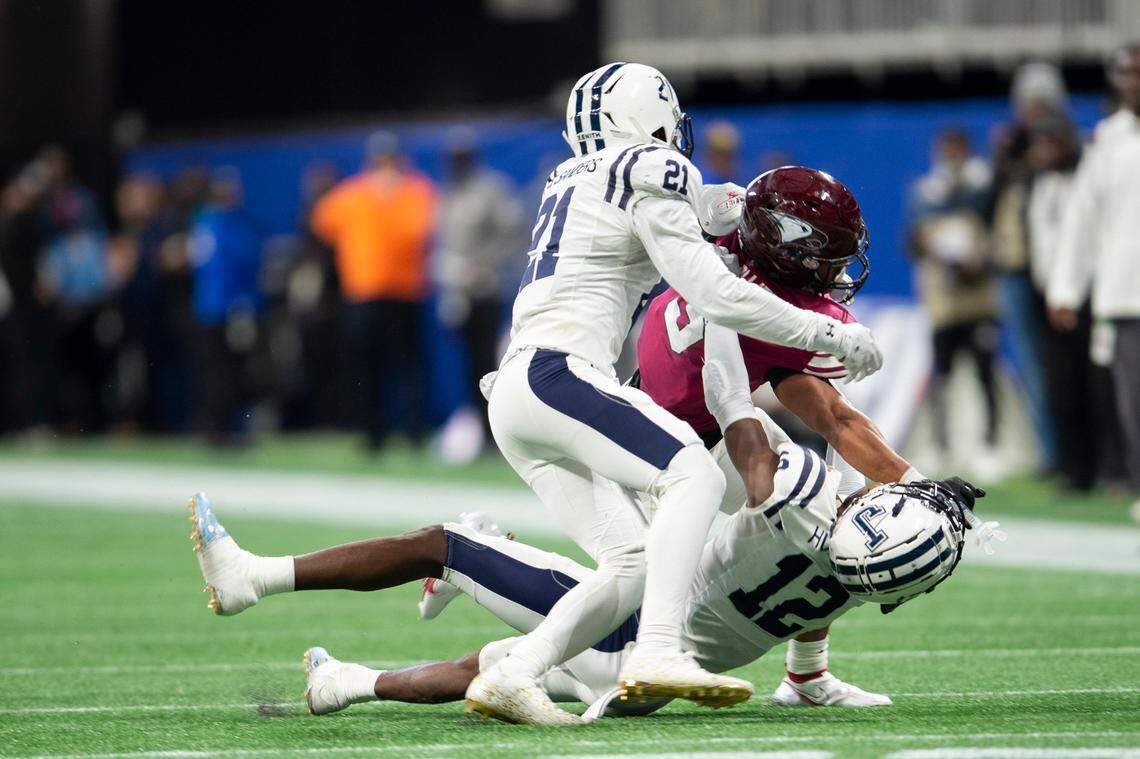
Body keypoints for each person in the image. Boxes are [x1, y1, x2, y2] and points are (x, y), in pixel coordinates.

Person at [456, 63, 881, 723]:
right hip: (557, 372)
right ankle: (657, 651)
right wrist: (829, 332)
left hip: (518, 393)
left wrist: (746, 205)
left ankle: (515, 670)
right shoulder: (652, 166)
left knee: (629, 563)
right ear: (648, 118)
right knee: (694, 477)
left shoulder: (575, 174)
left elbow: (708, 208)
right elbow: (715, 291)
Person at [187, 401, 993, 719]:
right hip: (644, 686)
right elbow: (819, 609)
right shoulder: (863, 574)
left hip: (629, 627)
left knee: (448, 543)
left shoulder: (807, 493)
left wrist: (730, 343)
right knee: (496, 659)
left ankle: (257, 576)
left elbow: (741, 422)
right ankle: (346, 683)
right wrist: (809, 679)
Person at [1048, 43, 1140, 522]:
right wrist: (1066, 287)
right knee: (1133, 398)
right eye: (1128, 73)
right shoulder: (1108, 139)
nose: (1134, 81)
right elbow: (1082, 219)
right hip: (1126, 293)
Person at [311, 132, 436, 450]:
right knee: (368, 367)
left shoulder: (416, 191)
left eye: (391, 162)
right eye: (380, 163)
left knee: (408, 367)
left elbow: (423, 229)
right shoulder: (352, 194)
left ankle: (414, 434)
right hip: (364, 293)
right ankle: (371, 435)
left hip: (405, 293)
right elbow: (321, 223)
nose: (386, 169)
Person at [909, 129, 1000, 465]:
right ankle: (941, 444)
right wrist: (938, 253)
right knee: (942, 375)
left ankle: (990, 445)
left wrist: (979, 262)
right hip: (942, 298)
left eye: (957, 146)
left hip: (978, 297)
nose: (952, 153)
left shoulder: (983, 185)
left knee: (984, 372)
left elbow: (995, 231)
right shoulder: (926, 190)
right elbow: (913, 240)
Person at [434, 128, 524, 439]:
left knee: (488, 363)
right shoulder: (448, 192)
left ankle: (497, 432)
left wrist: (486, 264)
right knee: (468, 365)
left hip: (486, 288)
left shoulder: (490, 190)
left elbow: (513, 233)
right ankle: (479, 429)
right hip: (457, 290)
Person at [187, 168, 263, 445]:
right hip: (221, 309)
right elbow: (223, 268)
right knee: (222, 372)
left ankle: (229, 427)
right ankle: (218, 429)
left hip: (226, 307)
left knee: (234, 371)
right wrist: (238, 304)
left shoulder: (226, 222)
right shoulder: (215, 223)